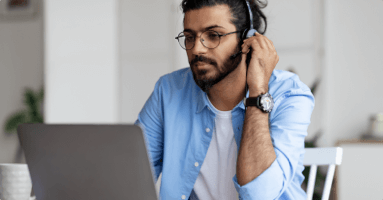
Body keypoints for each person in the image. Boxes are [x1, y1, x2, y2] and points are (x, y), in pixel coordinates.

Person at [134, 0, 315, 199]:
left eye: (213, 36)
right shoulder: (169, 91)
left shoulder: (289, 94)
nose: (197, 50)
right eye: (189, 37)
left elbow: (259, 194)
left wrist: (258, 90)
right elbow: (130, 178)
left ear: (247, 39)